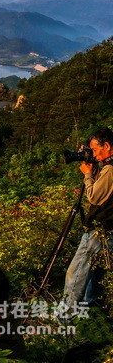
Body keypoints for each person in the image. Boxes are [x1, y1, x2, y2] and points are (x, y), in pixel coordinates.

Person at [64, 128, 113, 307]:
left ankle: (66, 316)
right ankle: (90, 313)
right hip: (108, 230)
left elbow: (94, 196)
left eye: (94, 150)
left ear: (106, 145)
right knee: (94, 275)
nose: (93, 154)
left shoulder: (110, 169)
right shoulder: (107, 166)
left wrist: (87, 174)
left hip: (100, 230)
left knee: (76, 273)